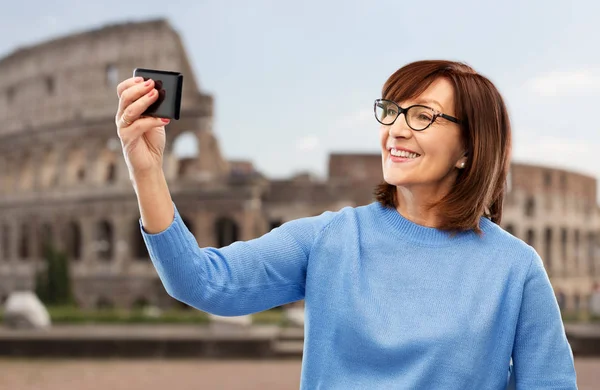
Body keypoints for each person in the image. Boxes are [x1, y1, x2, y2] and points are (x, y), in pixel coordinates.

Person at [115, 60, 577, 389]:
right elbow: (199, 281)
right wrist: (147, 169)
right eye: (392, 111)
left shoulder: (515, 269)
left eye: (422, 116)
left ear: (468, 150)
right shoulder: (329, 239)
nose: (396, 129)